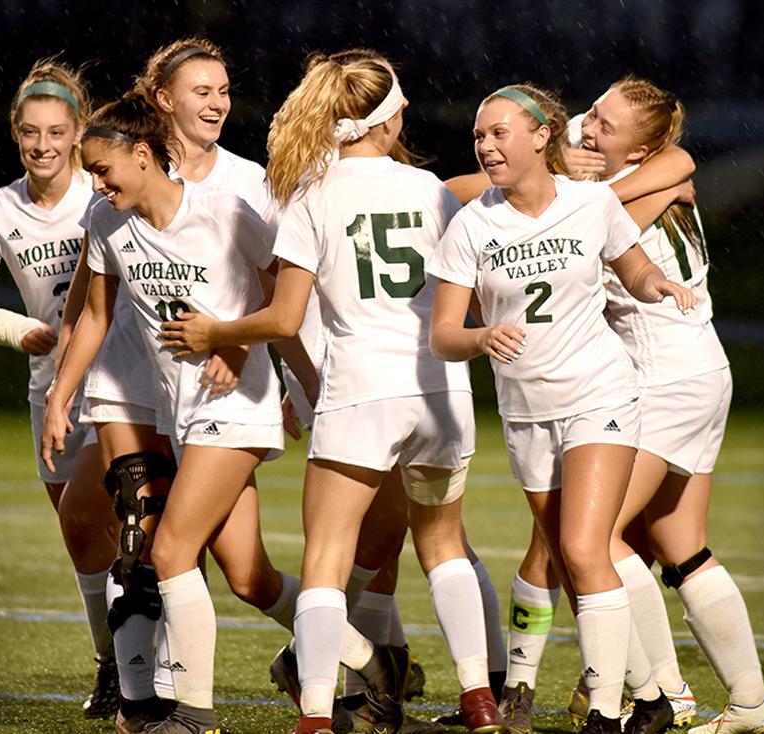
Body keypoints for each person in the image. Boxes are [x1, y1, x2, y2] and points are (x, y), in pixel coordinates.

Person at [159, 50, 503, 734]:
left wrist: (215, 332)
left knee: (325, 560)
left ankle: (316, 713)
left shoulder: (314, 194)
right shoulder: (430, 188)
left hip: (360, 392)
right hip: (441, 393)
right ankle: (480, 700)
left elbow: (285, 320)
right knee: (444, 547)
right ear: (388, 115)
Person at [426, 82, 694, 734]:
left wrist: (652, 281)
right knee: (569, 555)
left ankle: (605, 713)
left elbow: (628, 263)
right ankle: (651, 697)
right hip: (526, 413)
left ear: (543, 135)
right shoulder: (472, 225)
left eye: (499, 133)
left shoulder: (590, 201)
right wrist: (482, 336)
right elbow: (442, 335)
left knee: (583, 544)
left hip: (599, 394)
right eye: (479, 136)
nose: (487, 146)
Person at [55, 38, 288, 733]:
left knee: (165, 548)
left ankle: (182, 710)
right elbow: (92, 307)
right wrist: (61, 393)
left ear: (141, 154)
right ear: (163, 102)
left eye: (224, 89)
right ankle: (364, 658)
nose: (217, 101)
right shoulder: (112, 209)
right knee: (244, 574)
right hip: (153, 390)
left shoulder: (237, 192)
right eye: (202, 90)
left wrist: (240, 345)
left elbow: (283, 298)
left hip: (229, 399)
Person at [580, 76, 764, 734]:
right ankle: (753, 702)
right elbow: (676, 164)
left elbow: (584, 235)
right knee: (682, 547)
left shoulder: (629, 196)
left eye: (604, 125)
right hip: (700, 371)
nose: (588, 127)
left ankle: (662, 693)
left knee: (595, 542)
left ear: (639, 150)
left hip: (664, 379)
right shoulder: (649, 180)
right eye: (592, 112)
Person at [0, 58, 120, 720]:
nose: (43, 145)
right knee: (83, 539)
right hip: (50, 390)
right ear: (15, 134)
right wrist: (15, 328)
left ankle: (156, 671)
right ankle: (112, 664)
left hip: (116, 383)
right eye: (30, 133)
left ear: (78, 132)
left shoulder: (104, 193)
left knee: (134, 531)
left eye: (56, 132)